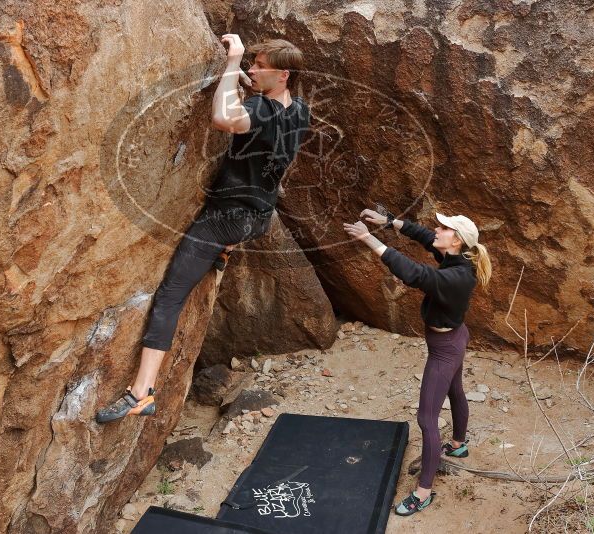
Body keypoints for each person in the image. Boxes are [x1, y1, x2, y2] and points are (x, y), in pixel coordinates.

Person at [96, 35, 310, 423]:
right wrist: (251, 82)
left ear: (283, 74)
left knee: (170, 297)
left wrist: (233, 62)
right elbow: (271, 120)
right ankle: (224, 251)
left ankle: (141, 391)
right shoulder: (300, 110)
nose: (252, 70)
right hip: (258, 218)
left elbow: (224, 118)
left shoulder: (259, 108)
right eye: (251, 63)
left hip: (223, 218)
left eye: (259, 65)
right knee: (219, 246)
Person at [343, 209, 491, 517]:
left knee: (427, 419)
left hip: (444, 350)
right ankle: (459, 444)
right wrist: (390, 222)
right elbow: (424, 237)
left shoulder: (454, 277)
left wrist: (369, 239)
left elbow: (414, 274)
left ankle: (423, 492)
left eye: (445, 228)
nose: (437, 229)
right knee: (456, 391)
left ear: (457, 240)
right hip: (455, 337)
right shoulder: (457, 259)